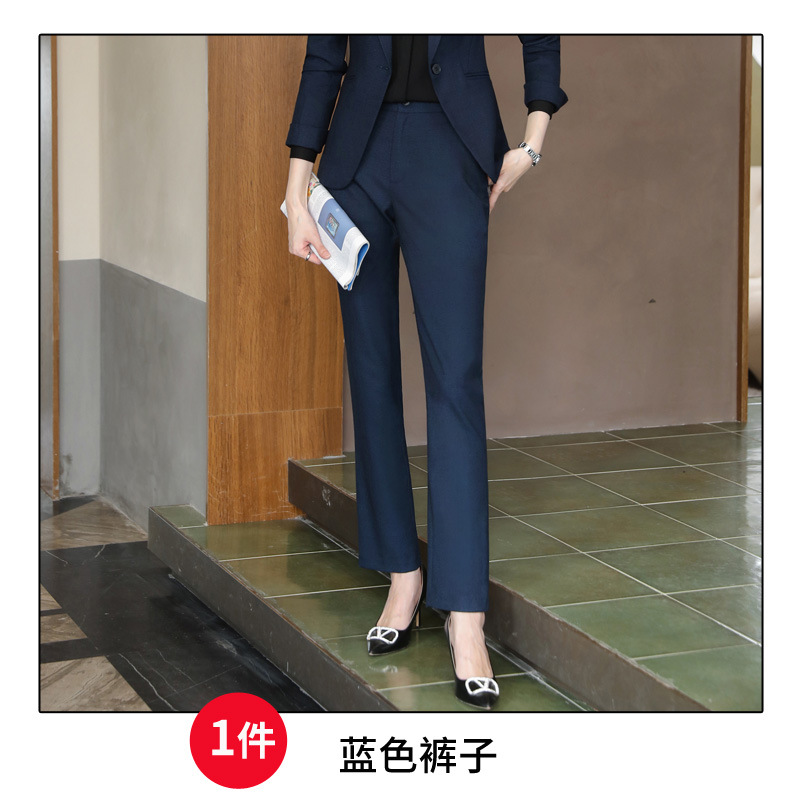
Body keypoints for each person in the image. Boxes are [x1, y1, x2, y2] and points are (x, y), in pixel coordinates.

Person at [284, 35, 567, 709]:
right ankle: (402, 576)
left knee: (455, 381)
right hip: (356, 161)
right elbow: (325, 56)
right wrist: (296, 190)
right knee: (372, 374)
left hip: (451, 148)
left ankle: (465, 616)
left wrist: (531, 143)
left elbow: (541, 31)